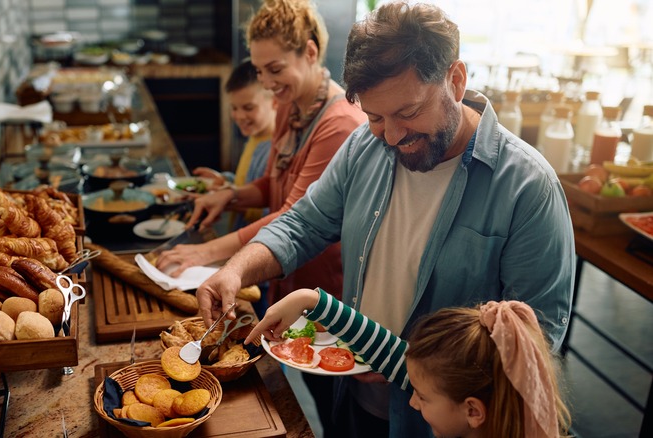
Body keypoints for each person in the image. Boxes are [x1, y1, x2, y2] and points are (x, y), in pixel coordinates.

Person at [195, 2, 574, 436]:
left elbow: (532, 348)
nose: (392, 137)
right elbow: (303, 224)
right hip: (352, 399)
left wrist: (399, 360)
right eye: (375, 117)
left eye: (409, 113)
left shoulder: (527, 188)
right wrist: (235, 269)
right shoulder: (364, 146)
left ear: (455, 80)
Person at [156, 0, 366, 431]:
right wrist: (230, 196)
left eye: (275, 69)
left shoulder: (339, 123)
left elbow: (296, 215)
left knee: (328, 396)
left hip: (327, 288)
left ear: (310, 53)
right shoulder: (290, 104)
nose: (267, 83)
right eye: (260, 71)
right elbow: (275, 186)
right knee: (294, 383)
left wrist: (206, 254)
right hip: (285, 274)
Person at [245, 288, 572, 438]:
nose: (411, 400)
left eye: (422, 396)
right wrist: (311, 301)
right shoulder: (463, 395)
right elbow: (394, 357)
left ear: (473, 411)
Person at [191, 58, 276, 233]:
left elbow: (270, 212)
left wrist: (226, 198)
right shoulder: (255, 136)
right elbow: (247, 180)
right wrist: (225, 180)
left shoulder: (274, 148)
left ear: (274, 101)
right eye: (234, 108)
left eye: (248, 108)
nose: (239, 116)